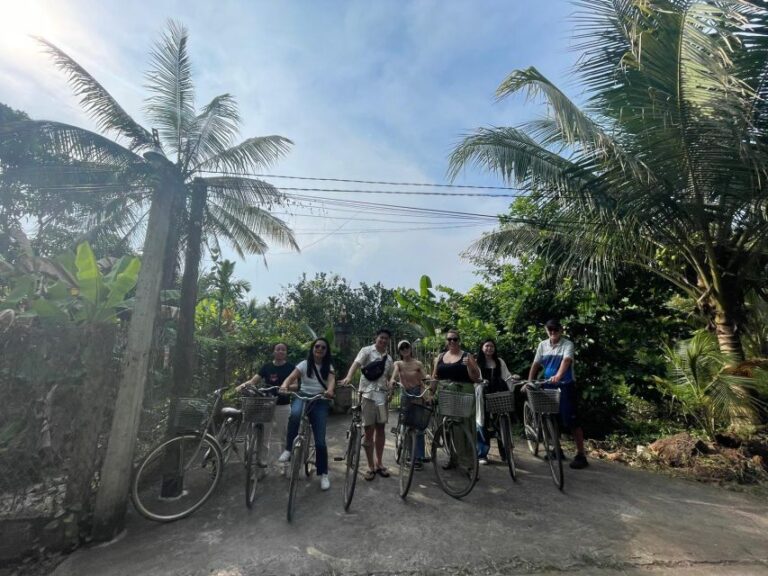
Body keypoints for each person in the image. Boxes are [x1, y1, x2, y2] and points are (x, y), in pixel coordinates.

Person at [527, 319, 588, 469]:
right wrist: (530, 381)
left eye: (555, 330)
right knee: (550, 417)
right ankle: (557, 449)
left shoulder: (567, 344)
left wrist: (559, 375)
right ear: (547, 331)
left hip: (565, 386)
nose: (553, 333)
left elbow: (566, 361)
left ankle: (581, 455)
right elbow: (536, 364)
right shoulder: (543, 345)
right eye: (550, 330)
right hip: (548, 385)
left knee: (572, 421)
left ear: (561, 330)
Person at [279, 338, 336, 491]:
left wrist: (330, 391)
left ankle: (323, 473)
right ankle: (289, 449)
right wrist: (284, 385)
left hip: (319, 399)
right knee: (295, 414)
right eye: (317, 346)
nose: (320, 349)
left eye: (323, 347)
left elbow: (331, 381)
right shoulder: (304, 364)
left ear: (326, 351)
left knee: (320, 441)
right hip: (303, 396)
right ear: (312, 348)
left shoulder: (328, 366)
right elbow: (291, 378)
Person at [339, 329, 394, 481]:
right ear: (376, 338)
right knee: (369, 430)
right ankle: (370, 466)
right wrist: (349, 377)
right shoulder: (367, 351)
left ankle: (379, 463)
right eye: (381, 338)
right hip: (368, 395)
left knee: (381, 429)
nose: (383, 340)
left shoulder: (389, 359)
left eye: (386, 339)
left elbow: (390, 377)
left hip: (382, 397)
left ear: (388, 341)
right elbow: (356, 364)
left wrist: (392, 387)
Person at [237, 342, 294, 467]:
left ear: (286, 353)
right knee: (262, 436)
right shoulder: (266, 367)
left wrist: (285, 387)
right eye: (278, 349)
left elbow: (297, 385)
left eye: (283, 349)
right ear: (273, 352)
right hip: (267, 405)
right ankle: (261, 466)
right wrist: (243, 385)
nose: (280, 351)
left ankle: (286, 466)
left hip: (283, 406)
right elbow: (253, 381)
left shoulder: (291, 367)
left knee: (284, 436)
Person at [431, 329, 481, 470]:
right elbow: (435, 377)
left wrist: (471, 366)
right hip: (445, 396)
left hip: (462, 395)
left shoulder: (467, 356)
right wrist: (430, 394)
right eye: (449, 339)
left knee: (465, 430)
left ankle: (470, 464)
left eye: (455, 339)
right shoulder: (440, 357)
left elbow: (475, 378)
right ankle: (453, 458)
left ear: (459, 341)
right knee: (448, 429)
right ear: (446, 341)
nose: (452, 341)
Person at [389, 339, 428, 470]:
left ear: (410, 348)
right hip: (405, 393)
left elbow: (425, 377)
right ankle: (408, 454)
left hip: (417, 393)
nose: (405, 349)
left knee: (418, 426)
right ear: (399, 351)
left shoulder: (418, 363)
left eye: (407, 347)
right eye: (402, 348)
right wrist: (392, 380)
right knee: (406, 425)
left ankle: (418, 457)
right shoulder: (398, 363)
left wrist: (430, 380)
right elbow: (394, 373)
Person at [475, 339, 515, 465]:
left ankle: (506, 453)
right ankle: (482, 454)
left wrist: (513, 378)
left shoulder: (499, 361)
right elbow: (475, 378)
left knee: (503, 422)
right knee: (482, 423)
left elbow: (506, 376)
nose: (489, 348)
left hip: (498, 395)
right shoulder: (477, 362)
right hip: (483, 395)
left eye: (492, 346)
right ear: (482, 348)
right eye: (487, 346)